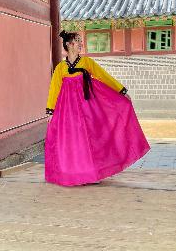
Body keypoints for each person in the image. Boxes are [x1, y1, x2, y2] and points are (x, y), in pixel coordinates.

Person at [45, 30, 150, 186]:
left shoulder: (87, 63)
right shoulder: (61, 68)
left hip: (88, 108)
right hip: (68, 110)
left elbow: (103, 76)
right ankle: (75, 172)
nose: (81, 44)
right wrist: (50, 111)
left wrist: (121, 90)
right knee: (73, 140)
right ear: (68, 44)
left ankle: (94, 171)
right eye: (77, 41)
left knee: (92, 138)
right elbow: (54, 89)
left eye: (81, 41)